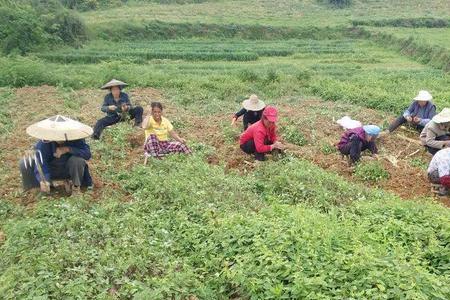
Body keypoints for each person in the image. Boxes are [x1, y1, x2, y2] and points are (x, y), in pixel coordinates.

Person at [19, 115, 93, 194]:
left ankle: (76, 187)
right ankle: (36, 188)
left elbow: (87, 154)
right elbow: (41, 161)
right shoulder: (44, 142)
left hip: (68, 170)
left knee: (78, 160)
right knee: (25, 162)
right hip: (52, 170)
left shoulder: (76, 138)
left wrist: (68, 149)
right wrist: (44, 179)